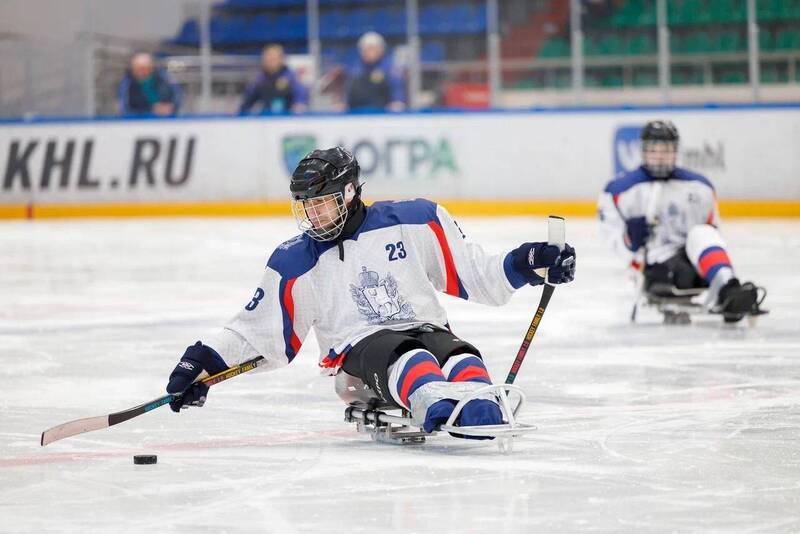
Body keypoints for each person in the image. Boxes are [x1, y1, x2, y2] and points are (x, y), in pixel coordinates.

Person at [165, 147, 576, 437]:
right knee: (410, 356)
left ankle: (479, 404)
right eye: (305, 206)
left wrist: (532, 260)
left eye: (321, 203)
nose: (312, 215)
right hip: (355, 356)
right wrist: (200, 363)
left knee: (460, 353)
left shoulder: (416, 220)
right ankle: (435, 402)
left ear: (348, 193)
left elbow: (478, 274)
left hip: (425, 329)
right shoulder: (295, 260)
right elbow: (256, 333)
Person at [598, 120, 763, 322]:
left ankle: (729, 289)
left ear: (675, 151)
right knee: (682, 266)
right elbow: (611, 240)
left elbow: (714, 234)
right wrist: (629, 240)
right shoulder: (618, 191)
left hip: (695, 262)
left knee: (702, 233)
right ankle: (725, 292)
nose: (659, 156)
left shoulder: (700, 187)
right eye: (653, 149)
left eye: (665, 149)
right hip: (657, 267)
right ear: (643, 151)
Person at [238, 44, 308, 115]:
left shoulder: (290, 76)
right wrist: (239, 110)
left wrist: (300, 103)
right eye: (267, 59)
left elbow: (300, 93)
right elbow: (249, 98)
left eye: (273, 58)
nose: (270, 61)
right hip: (267, 118)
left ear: (280, 59)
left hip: (288, 117)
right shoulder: (260, 79)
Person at [345, 32, 406, 112]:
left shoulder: (390, 68)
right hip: (359, 113)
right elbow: (349, 92)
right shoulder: (355, 69)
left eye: (373, 48)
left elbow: (397, 88)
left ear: (381, 49)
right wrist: (345, 104)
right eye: (366, 49)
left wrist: (397, 101)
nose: (370, 52)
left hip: (384, 113)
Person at [118, 52, 182, 116]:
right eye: (139, 68)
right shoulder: (127, 84)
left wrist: (171, 107)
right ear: (133, 69)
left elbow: (177, 95)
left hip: (166, 119)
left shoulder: (164, 78)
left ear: (151, 67)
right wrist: (151, 110)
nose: (142, 72)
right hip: (139, 121)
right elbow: (125, 108)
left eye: (145, 68)